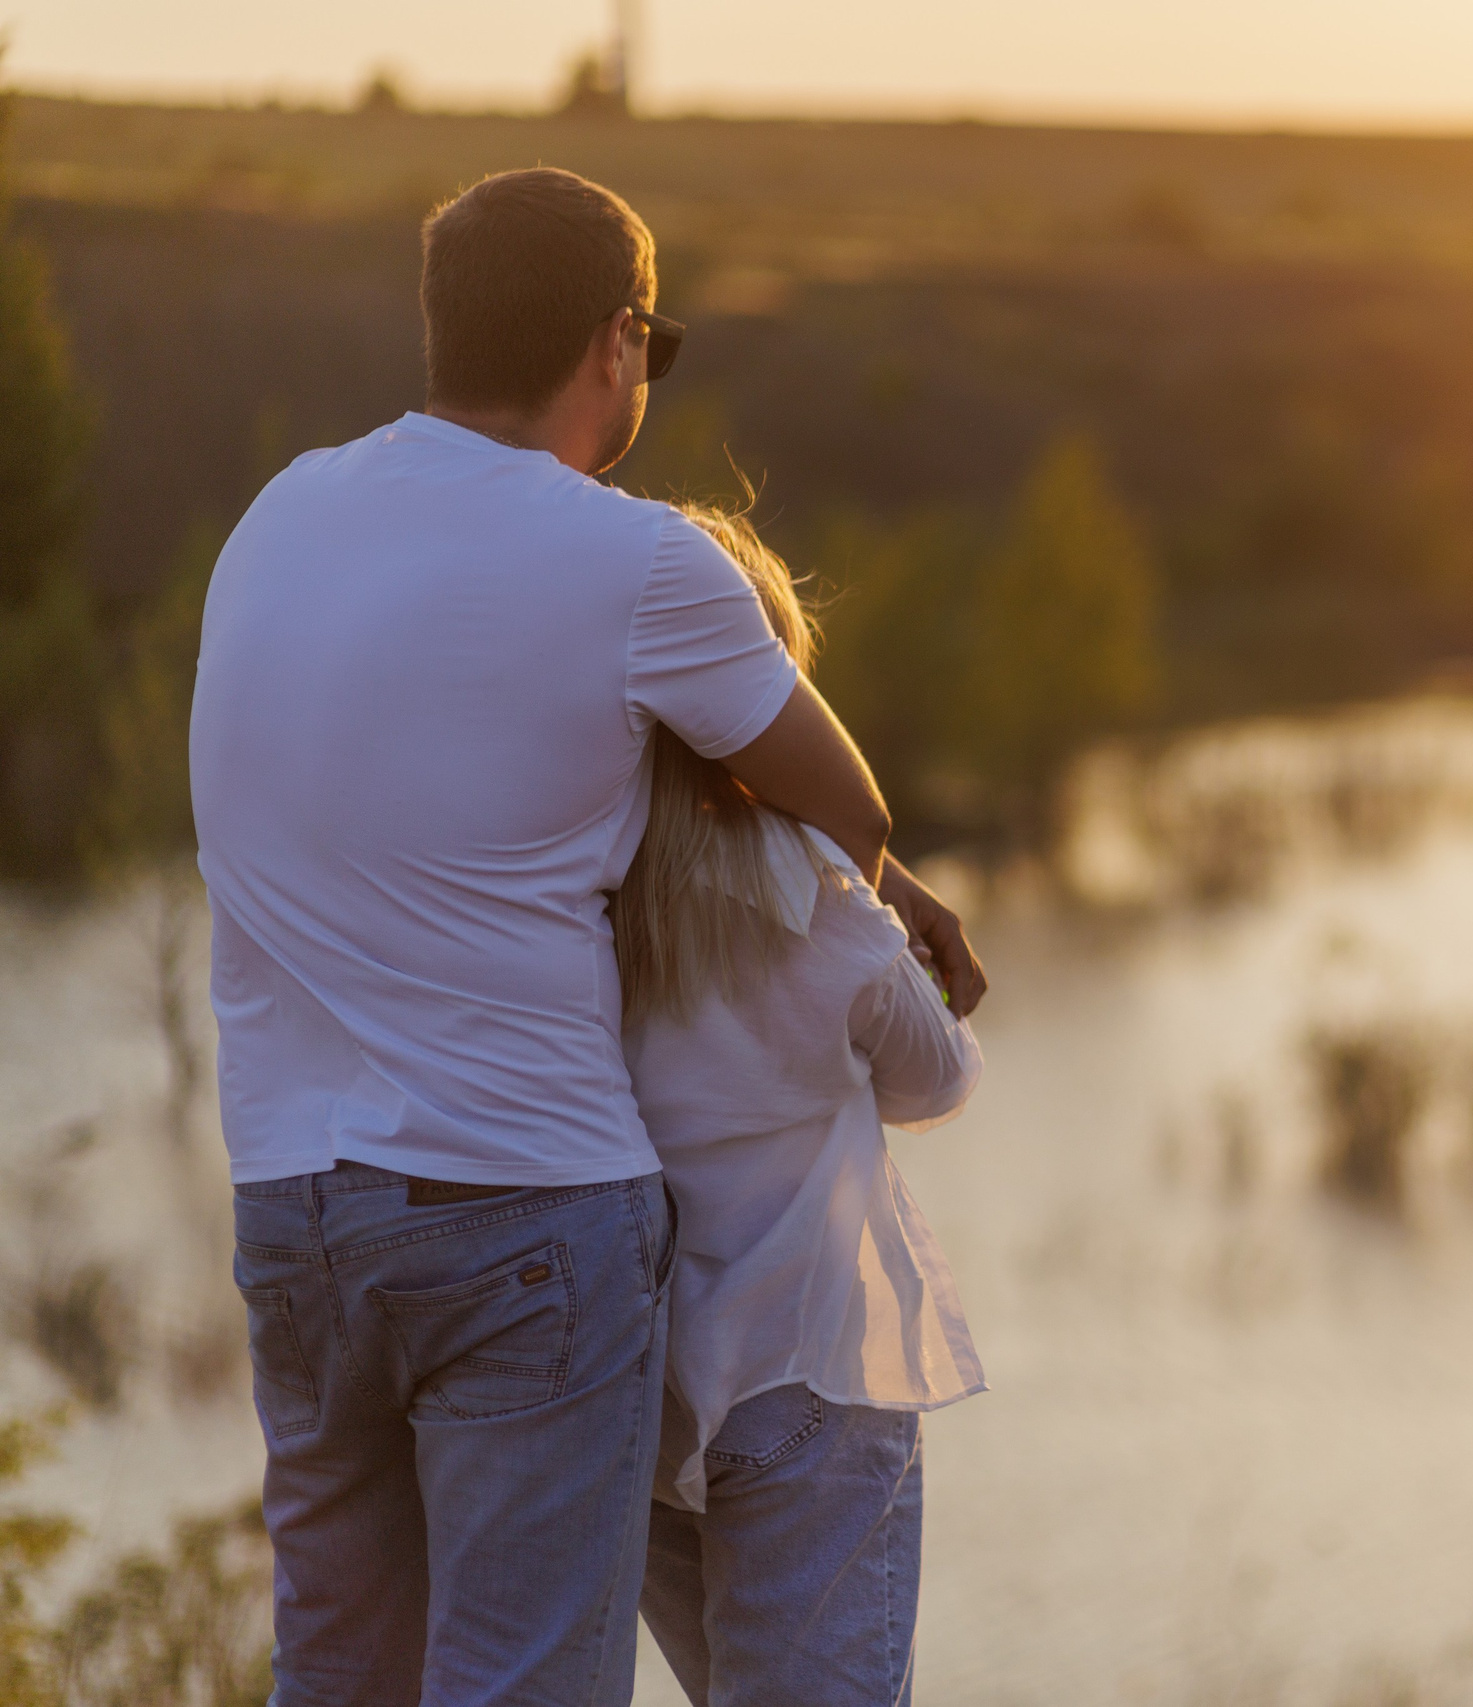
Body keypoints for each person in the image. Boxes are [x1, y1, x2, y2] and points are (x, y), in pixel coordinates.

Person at [191, 166, 985, 1706]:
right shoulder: (638, 559)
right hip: (523, 1209)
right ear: (617, 342)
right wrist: (882, 898)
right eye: (650, 345)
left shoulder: (279, 513)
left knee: (339, 1672)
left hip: (291, 1205)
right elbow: (851, 809)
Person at [616, 506, 984, 1707]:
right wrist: (897, 938)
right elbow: (937, 1076)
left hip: (648, 1409)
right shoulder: (819, 907)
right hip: (806, 1380)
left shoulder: (581, 902)